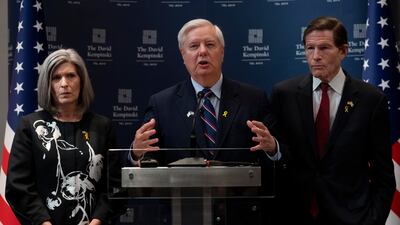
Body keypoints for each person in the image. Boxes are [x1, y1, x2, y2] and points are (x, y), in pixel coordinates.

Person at [131, 18, 281, 224]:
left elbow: (279, 157)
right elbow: (144, 160)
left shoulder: (253, 100)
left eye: (210, 45)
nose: (202, 51)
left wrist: (273, 149)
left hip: (240, 216)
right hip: (183, 215)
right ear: (183, 55)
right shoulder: (161, 103)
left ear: (222, 52)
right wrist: (136, 153)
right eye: (193, 46)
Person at [270, 16, 395, 225]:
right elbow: (281, 158)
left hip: (352, 217)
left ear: (344, 51)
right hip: (296, 215)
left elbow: (383, 175)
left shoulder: (371, 100)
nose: (315, 56)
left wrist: (373, 220)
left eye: (324, 48)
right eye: (310, 48)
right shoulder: (284, 94)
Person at [6, 49, 120, 225]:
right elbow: (18, 186)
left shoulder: (102, 127)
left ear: (82, 81)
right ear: (48, 84)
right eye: (56, 78)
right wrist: (43, 221)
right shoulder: (30, 126)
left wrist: (97, 222)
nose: (64, 83)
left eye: (71, 76)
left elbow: (114, 186)